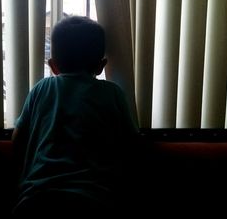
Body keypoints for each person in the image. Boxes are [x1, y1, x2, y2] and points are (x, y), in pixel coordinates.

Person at [11, 16, 139, 218]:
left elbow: (18, 142)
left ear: (53, 66)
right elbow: (132, 147)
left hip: (36, 200)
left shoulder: (41, 89)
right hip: (94, 201)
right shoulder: (112, 93)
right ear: (101, 65)